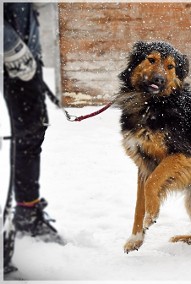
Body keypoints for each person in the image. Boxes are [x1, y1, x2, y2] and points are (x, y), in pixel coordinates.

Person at [3, 3, 63, 258]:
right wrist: (11, 48)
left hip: (27, 59)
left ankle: (27, 209)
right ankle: (26, 213)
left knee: (33, 133)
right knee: (27, 137)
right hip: (13, 61)